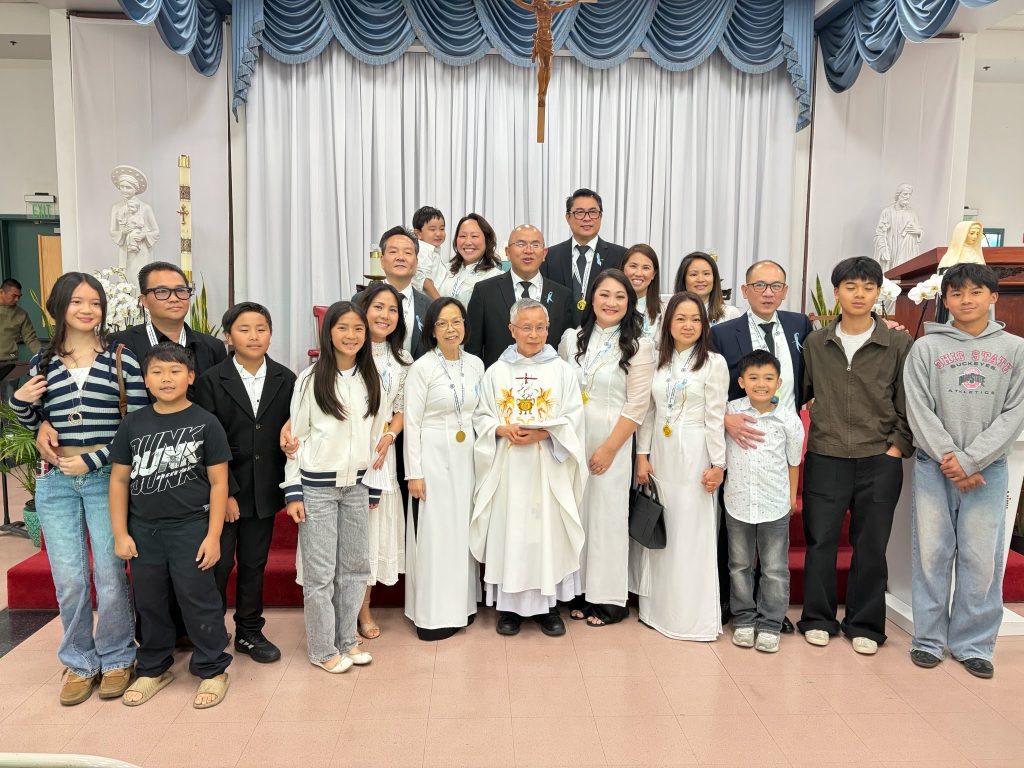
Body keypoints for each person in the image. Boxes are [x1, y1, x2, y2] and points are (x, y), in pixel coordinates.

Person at [9, 272, 146, 706]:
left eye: (95, 303)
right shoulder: (43, 363)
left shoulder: (122, 360)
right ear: (59, 307)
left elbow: (137, 424)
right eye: (77, 302)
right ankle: (79, 661)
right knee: (69, 578)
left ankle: (118, 657)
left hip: (106, 479)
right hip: (56, 482)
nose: (88, 310)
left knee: (109, 574)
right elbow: (34, 420)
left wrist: (96, 458)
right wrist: (22, 408)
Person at [904, 263, 1024, 679]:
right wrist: (951, 458)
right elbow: (918, 408)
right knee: (932, 554)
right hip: (934, 467)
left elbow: (1016, 412)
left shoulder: (1015, 349)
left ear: (993, 297)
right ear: (946, 299)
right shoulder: (926, 348)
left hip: (987, 471)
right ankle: (928, 640)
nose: (966, 300)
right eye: (956, 293)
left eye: (975, 292)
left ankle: (974, 644)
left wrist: (971, 460)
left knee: (981, 558)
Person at [798, 256, 913, 655]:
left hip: (879, 459)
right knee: (821, 541)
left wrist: (896, 448)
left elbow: (909, 401)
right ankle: (817, 618)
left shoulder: (897, 343)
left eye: (867, 287)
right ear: (836, 293)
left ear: (878, 292)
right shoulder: (816, 343)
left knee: (871, 545)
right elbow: (802, 393)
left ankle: (864, 624)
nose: (859, 294)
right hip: (826, 455)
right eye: (850, 287)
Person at [109, 342, 232, 708]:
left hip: (191, 528)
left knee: (199, 599)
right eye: (157, 372)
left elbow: (219, 483)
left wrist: (213, 535)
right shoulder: (133, 424)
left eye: (175, 371)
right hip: (144, 531)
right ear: (145, 380)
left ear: (190, 377)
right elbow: (119, 480)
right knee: (149, 601)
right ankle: (153, 667)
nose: (166, 378)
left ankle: (212, 668)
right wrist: (120, 532)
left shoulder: (206, 423)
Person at [471, 298, 587, 637]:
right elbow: (481, 415)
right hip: (508, 466)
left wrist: (544, 433)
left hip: (547, 465)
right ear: (512, 330)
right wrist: (500, 429)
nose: (533, 334)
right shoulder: (496, 371)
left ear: (548, 330)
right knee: (512, 533)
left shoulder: (562, 371)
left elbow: (573, 418)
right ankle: (509, 609)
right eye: (526, 327)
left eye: (540, 327)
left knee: (545, 534)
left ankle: (548, 609)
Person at [283, 301, 386, 674]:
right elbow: (295, 439)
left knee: (356, 567)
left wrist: (373, 486)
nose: (351, 335)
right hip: (318, 488)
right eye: (342, 328)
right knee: (321, 573)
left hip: (357, 486)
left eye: (358, 329)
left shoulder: (372, 379)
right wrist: (293, 490)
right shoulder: (310, 379)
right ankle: (322, 648)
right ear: (328, 333)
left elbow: (376, 438)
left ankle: (346, 640)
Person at [711, 259, 813, 634]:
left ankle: (772, 613)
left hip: (782, 434)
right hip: (741, 436)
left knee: (773, 553)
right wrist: (723, 419)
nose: (767, 293)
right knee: (737, 542)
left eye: (775, 286)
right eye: (759, 285)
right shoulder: (723, 333)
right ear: (745, 290)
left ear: (784, 291)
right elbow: (711, 385)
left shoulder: (800, 325)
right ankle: (739, 608)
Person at [194, 302, 296, 664]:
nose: (254, 336)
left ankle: (249, 631)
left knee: (254, 563)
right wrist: (227, 493)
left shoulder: (287, 378)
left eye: (261, 329)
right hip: (223, 489)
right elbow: (204, 441)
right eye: (244, 329)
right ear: (228, 336)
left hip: (265, 489)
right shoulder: (211, 380)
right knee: (218, 564)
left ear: (271, 334)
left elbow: (293, 427)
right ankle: (209, 631)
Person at [558, 269, 654, 626]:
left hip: (611, 440)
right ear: (591, 299)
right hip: (572, 440)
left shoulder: (639, 346)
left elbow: (638, 404)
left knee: (606, 520)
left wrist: (610, 449)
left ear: (629, 303)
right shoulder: (572, 339)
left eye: (620, 296)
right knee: (577, 516)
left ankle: (608, 599)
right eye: (604, 294)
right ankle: (580, 591)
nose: (611, 302)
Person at [633, 292, 728, 641]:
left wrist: (718, 464)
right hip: (662, 452)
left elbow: (716, 416)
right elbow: (648, 413)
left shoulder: (713, 363)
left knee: (691, 532)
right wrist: (642, 455)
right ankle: (657, 611)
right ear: (668, 323)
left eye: (695, 319)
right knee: (663, 526)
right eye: (681, 318)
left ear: (704, 326)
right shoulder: (658, 362)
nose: (688, 325)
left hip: (695, 453)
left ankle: (691, 617)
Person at [404, 297, 485, 640]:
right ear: (432, 330)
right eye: (443, 323)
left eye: (457, 321)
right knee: (436, 536)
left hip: (467, 457)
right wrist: (414, 473)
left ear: (465, 325)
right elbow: (411, 422)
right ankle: (432, 616)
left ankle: (461, 607)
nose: (451, 329)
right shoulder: (422, 368)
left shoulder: (476, 364)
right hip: (433, 456)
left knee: (462, 534)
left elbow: (482, 413)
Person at [723, 350, 804, 654]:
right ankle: (744, 619)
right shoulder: (731, 412)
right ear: (741, 381)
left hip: (774, 503)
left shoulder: (788, 419)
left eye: (768, 378)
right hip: (738, 501)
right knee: (739, 565)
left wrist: (791, 497)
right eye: (754, 377)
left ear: (779, 382)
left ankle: (770, 623)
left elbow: (793, 462)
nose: (761, 384)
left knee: (774, 568)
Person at [353, 283, 412, 639]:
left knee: (372, 533)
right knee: (350, 532)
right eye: (378, 307)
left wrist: (390, 436)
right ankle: (340, 607)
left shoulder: (402, 359)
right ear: (363, 309)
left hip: (380, 455)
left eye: (392, 310)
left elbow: (401, 408)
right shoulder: (348, 348)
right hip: (346, 450)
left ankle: (364, 608)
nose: (385, 315)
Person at [466, 224, 573, 368]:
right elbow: (472, 352)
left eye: (535, 245)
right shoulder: (484, 292)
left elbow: (567, 350)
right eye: (521, 244)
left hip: (548, 379)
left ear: (544, 253)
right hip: (500, 379)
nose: (528, 250)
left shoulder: (563, 295)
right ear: (507, 252)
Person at [541, 188, 628, 325]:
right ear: (568, 217)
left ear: (600, 216)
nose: (587, 218)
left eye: (593, 212)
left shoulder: (621, 256)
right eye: (580, 212)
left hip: (604, 332)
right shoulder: (550, 256)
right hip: (559, 333)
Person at [355, 226, 430, 359]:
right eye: (393, 251)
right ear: (382, 260)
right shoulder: (360, 300)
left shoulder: (429, 306)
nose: (400, 257)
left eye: (408, 253)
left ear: (416, 262)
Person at [424, 213, 502, 305]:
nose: (468, 242)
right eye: (462, 236)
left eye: (474, 236)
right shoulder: (444, 269)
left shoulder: (496, 277)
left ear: (487, 240)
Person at [108, 165, 159, 282]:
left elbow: (156, 231)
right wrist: (123, 232)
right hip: (125, 250)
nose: (124, 190)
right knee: (126, 279)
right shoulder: (116, 208)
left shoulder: (145, 208)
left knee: (142, 278)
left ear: (135, 189)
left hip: (142, 250)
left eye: (128, 187)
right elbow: (113, 231)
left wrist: (144, 235)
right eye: (122, 187)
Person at [673, 251, 742, 325]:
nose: (700, 279)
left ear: (714, 278)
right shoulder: (670, 313)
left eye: (706, 273)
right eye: (693, 274)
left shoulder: (730, 314)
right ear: (683, 279)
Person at [873, 183, 923, 269]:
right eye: (905, 194)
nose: (907, 197)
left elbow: (919, 229)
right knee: (892, 272)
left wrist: (919, 232)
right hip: (892, 250)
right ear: (898, 195)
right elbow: (879, 233)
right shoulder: (887, 212)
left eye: (909, 194)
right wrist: (883, 249)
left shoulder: (912, 213)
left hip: (908, 253)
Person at [622, 245, 662, 342]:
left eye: (646, 268)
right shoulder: (611, 306)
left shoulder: (664, 312)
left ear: (653, 274)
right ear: (623, 269)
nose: (638, 273)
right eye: (633, 266)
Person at [412, 206, 446, 295]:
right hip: (429, 300)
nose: (438, 233)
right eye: (432, 229)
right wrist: (440, 301)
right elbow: (424, 281)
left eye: (442, 229)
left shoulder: (433, 250)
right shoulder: (422, 250)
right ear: (418, 233)